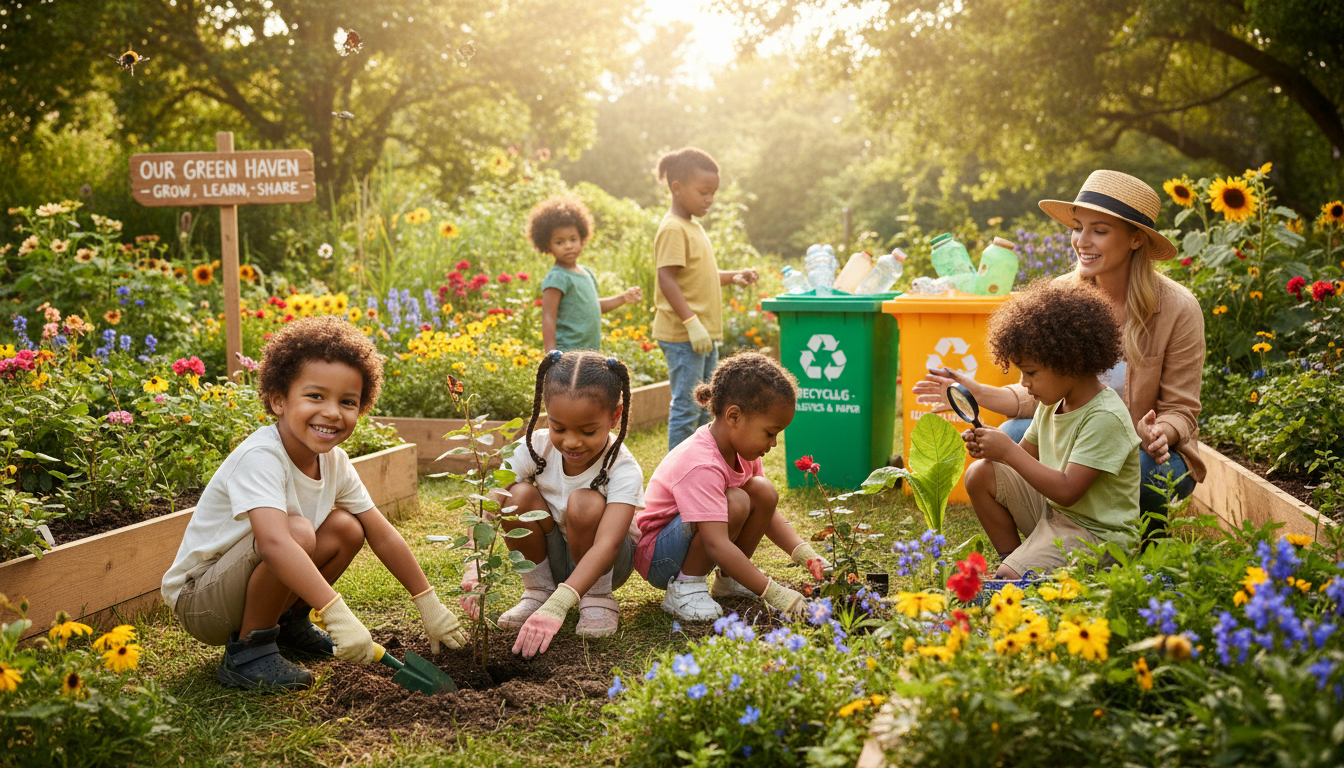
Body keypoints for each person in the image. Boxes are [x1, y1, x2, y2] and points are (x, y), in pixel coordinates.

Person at [161, 316, 466, 690]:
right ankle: (247, 652)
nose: (333, 412)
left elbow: (381, 533)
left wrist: (427, 602)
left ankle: (287, 625)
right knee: (297, 531)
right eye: (315, 396)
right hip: (202, 602)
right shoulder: (261, 456)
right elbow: (274, 543)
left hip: (241, 587)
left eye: (348, 401)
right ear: (278, 400)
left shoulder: (334, 462)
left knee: (347, 528)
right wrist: (336, 613)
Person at [915, 170, 1204, 537]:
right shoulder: (1063, 294)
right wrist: (975, 392)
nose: (1082, 241)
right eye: (1078, 227)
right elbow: (1042, 391)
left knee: (1146, 471)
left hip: (1144, 452)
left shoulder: (1178, 308)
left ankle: (1141, 538)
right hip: (1076, 441)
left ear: (1135, 239)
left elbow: (1182, 409)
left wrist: (1161, 432)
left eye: (1099, 230)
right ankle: (1058, 537)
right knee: (1015, 431)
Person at [459, 350, 645, 658]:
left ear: (615, 416)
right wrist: (473, 566)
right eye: (559, 428)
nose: (571, 442)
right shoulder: (535, 448)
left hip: (607, 562)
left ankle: (597, 599)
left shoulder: (622, 467)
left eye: (588, 431)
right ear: (547, 413)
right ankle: (538, 590)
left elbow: (609, 544)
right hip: (553, 555)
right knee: (514, 495)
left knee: (583, 503)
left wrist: (559, 608)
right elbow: (488, 504)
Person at [961, 279, 1141, 578]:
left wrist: (1006, 450)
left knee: (1009, 579)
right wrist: (989, 448)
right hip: (1055, 515)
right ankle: (1015, 559)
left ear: (1069, 361)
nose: (1023, 383)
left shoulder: (1105, 416)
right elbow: (1018, 464)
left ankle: (1015, 574)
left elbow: (1068, 490)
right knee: (981, 473)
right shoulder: (1051, 403)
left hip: (1098, 536)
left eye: (1030, 372)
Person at [634, 352, 827, 621]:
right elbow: (715, 543)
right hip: (659, 557)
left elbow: (767, 513)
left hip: (694, 542)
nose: (773, 444)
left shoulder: (742, 451)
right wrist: (774, 593)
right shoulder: (701, 463)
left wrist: (807, 555)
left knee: (762, 490)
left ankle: (728, 580)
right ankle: (685, 588)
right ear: (734, 416)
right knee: (736, 501)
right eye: (770, 433)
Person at [651, 147, 760, 450]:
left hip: (702, 335)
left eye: (713, 193)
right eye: (703, 192)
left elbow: (703, 275)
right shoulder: (673, 228)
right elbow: (666, 278)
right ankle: (676, 477)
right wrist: (690, 322)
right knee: (687, 408)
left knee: (707, 406)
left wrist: (734, 275)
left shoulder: (693, 226)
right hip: (684, 336)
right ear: (677, 188)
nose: (709, 199)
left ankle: (699, 466)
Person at [527, 195, 642, 353]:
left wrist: (622, 298)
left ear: (582, 239)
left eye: (573, 239)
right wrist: (551, 355)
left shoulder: (586, 273)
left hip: (590, 353)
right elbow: (548, 317)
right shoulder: (557, 277)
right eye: (559, 242)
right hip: (567, 354)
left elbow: (593, 306)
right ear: (548, 246)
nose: (568, 246)